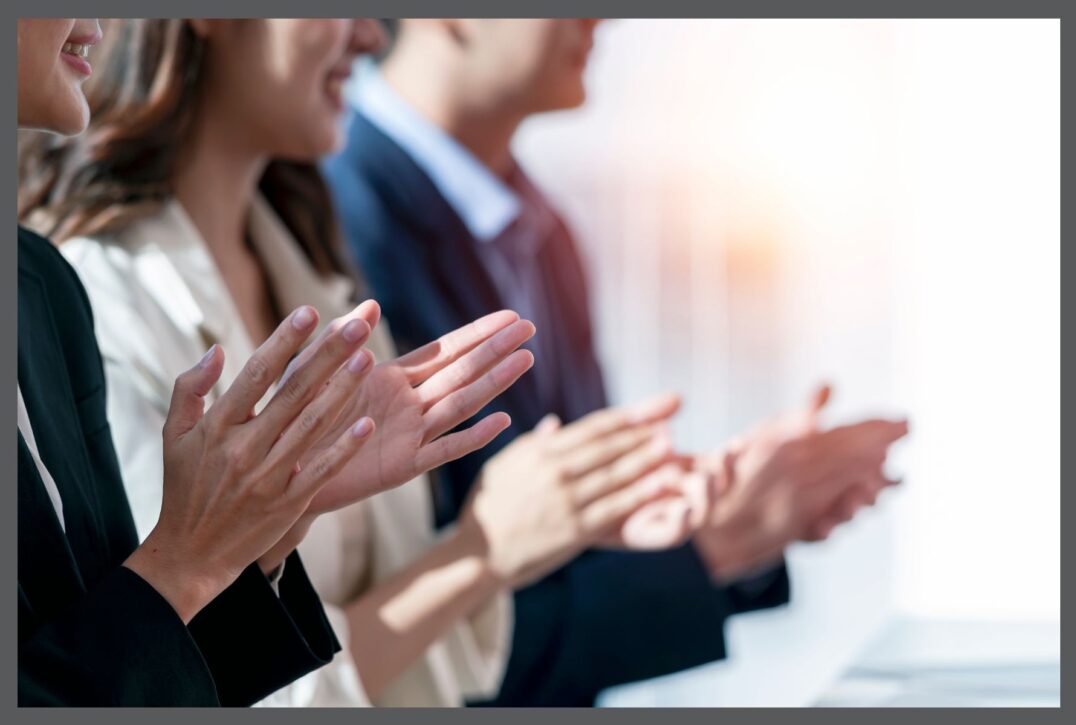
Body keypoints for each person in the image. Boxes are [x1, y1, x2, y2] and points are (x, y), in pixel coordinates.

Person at [20, 19, 707, 707]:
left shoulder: (322, 276)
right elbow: (156, 670)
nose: (372, 37)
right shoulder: (90, 293)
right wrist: (481, 550)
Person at [324, 19, 909, 705]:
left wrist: (719, 503)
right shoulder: (335, 230)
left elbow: (569, 536)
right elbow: (428, 638)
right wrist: (715, 546)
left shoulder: (545, 234)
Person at [17, 17, 369, 706]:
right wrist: (189, 559)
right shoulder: (93, 277)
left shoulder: (45, 290)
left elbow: (129, 658)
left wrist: (243, 541)